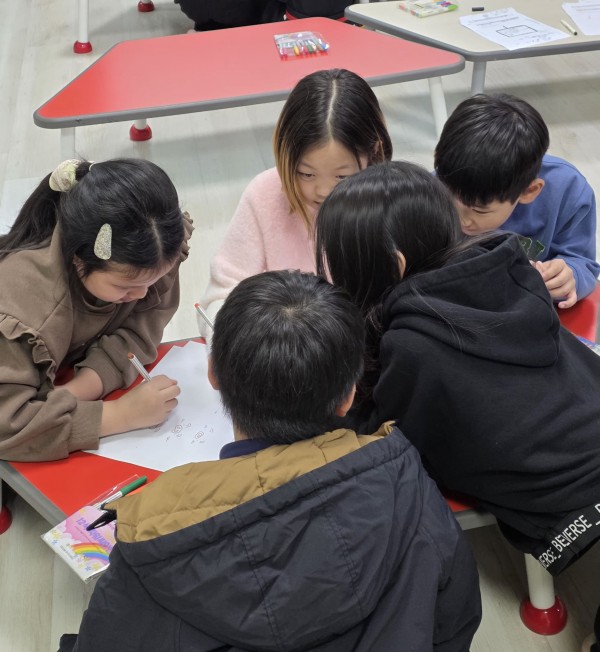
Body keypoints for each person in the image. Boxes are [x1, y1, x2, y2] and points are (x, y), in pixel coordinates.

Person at [59, 269, 481, 652]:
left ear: (213, 375)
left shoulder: (153, 538)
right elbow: (452, 624)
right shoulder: (410, 486)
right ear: (349, 396)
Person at [315, 161, 600, 648]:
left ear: (395, 265)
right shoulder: (510, 265)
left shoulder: (412, 344)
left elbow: (385, 435)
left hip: (565, 496)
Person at [0, 158, 193, 462]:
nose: (142, 294)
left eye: (153, 280)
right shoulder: (23, 311)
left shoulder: (153, 249)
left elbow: (140, 329)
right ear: (79, 259)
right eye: (125, 287)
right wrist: (119, 415)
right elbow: (7, 426)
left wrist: (79, 389)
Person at [198, 68, 393, 335]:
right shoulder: (265, 194)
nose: (323, 191)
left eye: (342, 176)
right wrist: (230, 345)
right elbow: (220, 298)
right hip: (283, 349)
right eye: (306, 174)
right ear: (285, 153)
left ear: (374, 152)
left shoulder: (393, 202)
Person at [434, 92, 600, 309]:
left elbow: (583, 263)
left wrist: (570, 276)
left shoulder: (568, 192)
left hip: (529, 311)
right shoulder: (432, 186)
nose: (462, 220)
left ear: (529, 192)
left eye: (480, 210)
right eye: (450, 200)